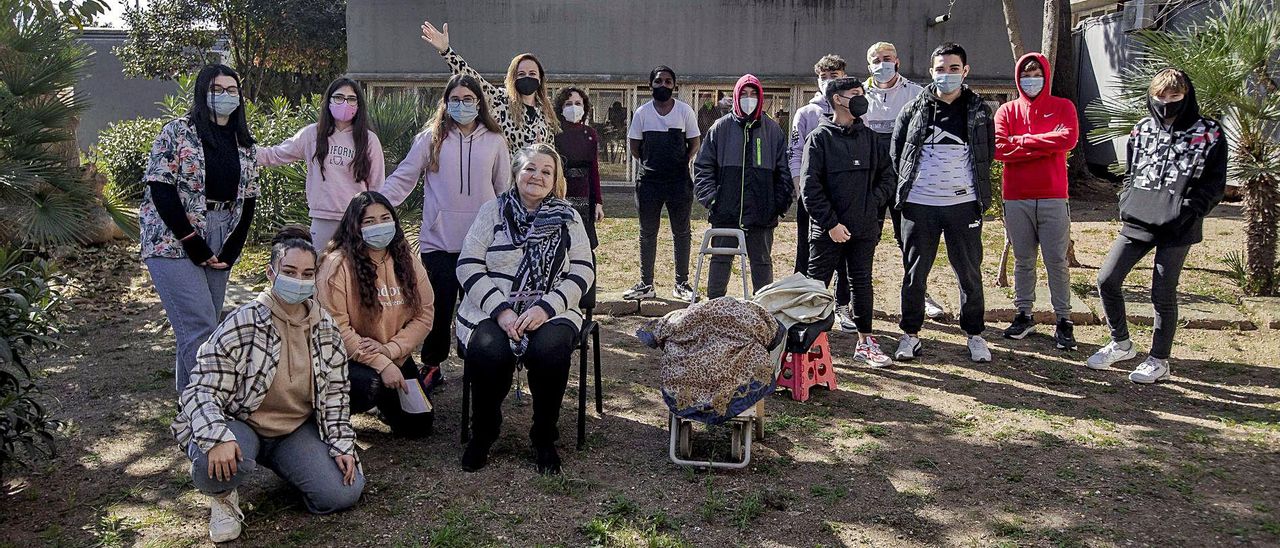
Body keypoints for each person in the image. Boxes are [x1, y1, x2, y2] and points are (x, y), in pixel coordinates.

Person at [172, 227, 363, 543]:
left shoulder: (326, 328)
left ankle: (296, 467)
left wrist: (340, 442)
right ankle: (222, 498)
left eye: (306, 273)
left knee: (343, 492)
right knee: (211, 462)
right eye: (289, 271)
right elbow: (201, 389)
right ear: (271, 273)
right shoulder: (244, 321)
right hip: (242, 423)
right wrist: (216, 436)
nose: (298, 280)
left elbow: (336, 395)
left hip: (293, 430)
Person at [456, 143, 594, 475]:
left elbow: (583, 271)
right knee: (489, 349)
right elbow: (468, 266)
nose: (537, 176)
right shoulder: (492, 211)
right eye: (530, 168)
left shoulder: (569, 216)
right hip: (491, 307)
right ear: (516, 173)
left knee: (550, 348)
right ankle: (484, 432)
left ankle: (544, 435)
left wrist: (546, 308)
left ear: (555, 179)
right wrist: (502, 311)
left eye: (547, 171)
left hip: (552, 308)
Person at [1087, 68, 1226, 384]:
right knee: (1107, 279)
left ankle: (1159, 360)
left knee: (1162, 292)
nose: (1166, 102)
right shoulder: (1142, 129)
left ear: (1186, 96)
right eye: (1160, 96)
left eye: (1174, 96)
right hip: (1138, 219)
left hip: (1179, 225)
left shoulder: (1210, 132)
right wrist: (1127, 199)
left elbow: (1215, 183)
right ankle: (1121, 343)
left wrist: (1190, 209)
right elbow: (1132, 170)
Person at [382, 74, 511, 394]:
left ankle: (476, 363)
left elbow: (504, 191)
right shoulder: (430, 139)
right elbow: (403, 178)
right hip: (439, 242)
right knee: (437, 308)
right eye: (455, 99)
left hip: (482, 244)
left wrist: (509, 235)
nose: (462, 105)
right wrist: (373, 204)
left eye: (469, 99)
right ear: (446, 103)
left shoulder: (495, 141)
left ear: (479, 103)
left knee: (479, 309)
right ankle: (433, 364)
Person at [139, 64, 258, 393]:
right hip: (173, 237)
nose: (225, 96)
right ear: (202, 93)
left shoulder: (245, 143)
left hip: (222, 237)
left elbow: (249, 200)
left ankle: (187, 405)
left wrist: (232, 250)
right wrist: (193, 242)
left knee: (199, 328)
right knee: (200, 326)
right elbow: (161, 189)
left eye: (232, 90)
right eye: (217, 90)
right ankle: (206, 413)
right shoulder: (177, 132)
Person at [889, 42, 995, 363]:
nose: (946, 75)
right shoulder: (913, 108)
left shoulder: (978, 110)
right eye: (940, 69)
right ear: (931, 71)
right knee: (914, 274)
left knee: (968, 272)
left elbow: (985, 155)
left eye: (953, 69)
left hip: (963, 206)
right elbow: (898, 154)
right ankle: (910, 335)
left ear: (965, 71)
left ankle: (975, 335)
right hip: (919, 205)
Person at [317, 192, 435, 437]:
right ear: (355, 226)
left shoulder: (406, 259)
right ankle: (328, 414)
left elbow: (424, 315)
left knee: (419, 425)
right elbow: (336, 328)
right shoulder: (336, 265)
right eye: (369, 222)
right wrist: (381, 364)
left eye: (385, 218)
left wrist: (390, 351)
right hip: (347, 359)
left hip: (393, 353)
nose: (378, 226)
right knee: (370, 384)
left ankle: (382, 401)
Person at [802, 77, 896, 367]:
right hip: (827, 231)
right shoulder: (819, 138)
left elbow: (888, 177)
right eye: (854, 94)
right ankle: (807, 345)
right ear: (837, 100)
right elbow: (810, 188)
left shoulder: (869, 138)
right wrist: (831, 224)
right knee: (816, 287)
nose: (860, 98)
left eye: (861, 93)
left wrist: (871, 203)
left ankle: (866, 342)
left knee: (862, 283)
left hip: (864, 228)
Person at [994, 53, 1080, 349]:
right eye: (1026, 74)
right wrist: (1044, 142)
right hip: (1016, 196)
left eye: (1036, 73)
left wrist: (1021, 142)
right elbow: (999, 148)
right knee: (1024, 259)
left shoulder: (1062, 106)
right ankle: (1023, 314)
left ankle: (1064, 319)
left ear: (1046, 75)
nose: (1032, 79)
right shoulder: (1006, 110)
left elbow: (1067, 140)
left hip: (1054, 196)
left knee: (1056, 260)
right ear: (1018, 78)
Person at [862, 42, 946, 321]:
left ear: (897, 62)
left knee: (910, 240)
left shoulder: (917, 94)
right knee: (863, 240)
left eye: (887, 58)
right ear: (869, 65)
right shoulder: (858, 96)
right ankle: (853, 297)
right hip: (869, 183)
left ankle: (920, 294)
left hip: (905, 181)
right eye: (876, 59)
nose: (882, 64)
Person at [256, 77, 386, 248]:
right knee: (320, 270)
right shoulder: (312, 134)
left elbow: (377, 185)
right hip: (322, 219)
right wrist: (244, 150)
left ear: (358, 104)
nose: (345, 103)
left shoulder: (368, 140)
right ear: (329, 101)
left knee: (355, 271)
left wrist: (374, 219)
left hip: (356, 220)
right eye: (339, 97)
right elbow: (276, 155)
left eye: (351, 99)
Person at [693, 74, 792, 298]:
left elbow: (783, 172)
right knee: (720, 260)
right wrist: (713, 199)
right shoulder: (720, 128)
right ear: (736, 97)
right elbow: (702, 167)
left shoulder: (772, 130)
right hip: (726, 210)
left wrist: (777, 204)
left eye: (753, 95)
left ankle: (763, 309)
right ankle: (715, 307)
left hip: (762, 212)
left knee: (762, 263)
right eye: (744, 95)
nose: (749, 99)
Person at [420, 19, 558, 154]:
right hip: (504, 174)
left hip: (533, 175)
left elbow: (552, 153)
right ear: (512, 78)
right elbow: (472, 77)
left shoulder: (546, 111)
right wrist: (446, 51)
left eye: (532, 73)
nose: (527, 77)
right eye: (521, 74)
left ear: (540, 79)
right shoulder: (501, 99)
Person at [788, 54, 856, 328]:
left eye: (835, 77)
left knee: (847, 254)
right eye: (824, 77)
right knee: (808, 252)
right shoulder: (806, 113)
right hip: (814, 199)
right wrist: (800, 188)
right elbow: (794, 152)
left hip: (847, 199)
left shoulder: (857, 111)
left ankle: (842, 305)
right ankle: (802, 303)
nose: (829, 82)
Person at [624, 65, 701, 302]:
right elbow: (635, 147)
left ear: (674, 86)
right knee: (647, 232)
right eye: (659, 81)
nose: (663, 85)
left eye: (668, 82)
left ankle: (681, 283)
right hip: (649, 182)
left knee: (682, 232)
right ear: (651, 85)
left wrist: (683, 161)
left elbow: (695, 142)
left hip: (678, 182)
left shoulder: (685, 111)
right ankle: (646, 284)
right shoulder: (642, 113)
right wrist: (651, 163)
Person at [553, 86, 605, 248]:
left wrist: (598, 202)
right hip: (560, 192)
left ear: (585, 107)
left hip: (584, 193)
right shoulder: (554, 132)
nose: (573, 107)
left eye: (578, 103)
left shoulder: (590, 134)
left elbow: (594, 169)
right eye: (568, 104)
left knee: (584, 243)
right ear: (560, 108)